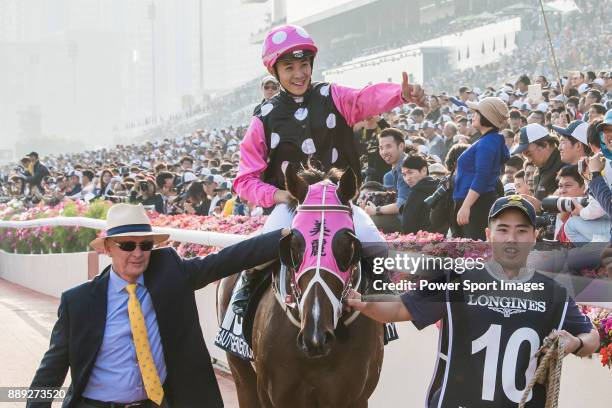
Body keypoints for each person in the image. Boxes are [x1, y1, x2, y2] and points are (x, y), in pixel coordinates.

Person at [232, 24, 425, 314]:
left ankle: (380, 311)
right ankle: (241, 304)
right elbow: (244, 180)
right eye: (289, 67)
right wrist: (278, 196)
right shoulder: (263, 119)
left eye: (304, 65)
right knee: (260, 254)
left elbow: (364, 99)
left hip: (339, 205)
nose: (299, 74)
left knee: (375, 247)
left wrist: (400, 94)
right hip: (293, 208)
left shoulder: (332, 95)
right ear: (275, 72)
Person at [345, 195, 599, 408]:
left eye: (521, 230)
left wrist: (576, 343)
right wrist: (360, 301)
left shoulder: (553, 292)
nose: (511, 238)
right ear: (489, 234)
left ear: (534, 236)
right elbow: (400, 308)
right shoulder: (458, 279)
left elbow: (591, 336)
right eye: (503, 229)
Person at [28, 204, 288, 407]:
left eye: (146, 245)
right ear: (108, 247)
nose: (138, 253)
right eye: (128, 245)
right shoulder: (78, 302)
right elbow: (50, 372)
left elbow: (224, 261)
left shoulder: (169, 273)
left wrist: (287, 234)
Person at [454, 97, 510, 240]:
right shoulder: (492, 140)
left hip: (476, 205)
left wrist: (466, 206)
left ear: (486, 117)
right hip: (477, 202)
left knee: (474, 254)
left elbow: (482, 176)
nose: (473, 115)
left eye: (477, 112)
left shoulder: (487, 143)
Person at [364, 128, 412, 233]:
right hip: (408, 216)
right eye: (381, 148)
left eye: (388, 146)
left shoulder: (405, 167)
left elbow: (401, 205)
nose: (384, 152)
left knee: (367, 221)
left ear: (401, 146)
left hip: (411, 221)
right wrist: (383, 194)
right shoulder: (398, 167)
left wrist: (376, 210)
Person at [512, 123, 563, 201]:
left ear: (545, 145)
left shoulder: (563, 164)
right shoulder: (539, 169)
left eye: (529, 154)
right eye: (525, 156)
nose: (529, 160)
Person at [400, 154, 439, 234]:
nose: (407, 178)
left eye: (410, 172)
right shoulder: (439, 187)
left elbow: (407, 227)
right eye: (404, 175)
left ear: (424, 170)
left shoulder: (416, 192)